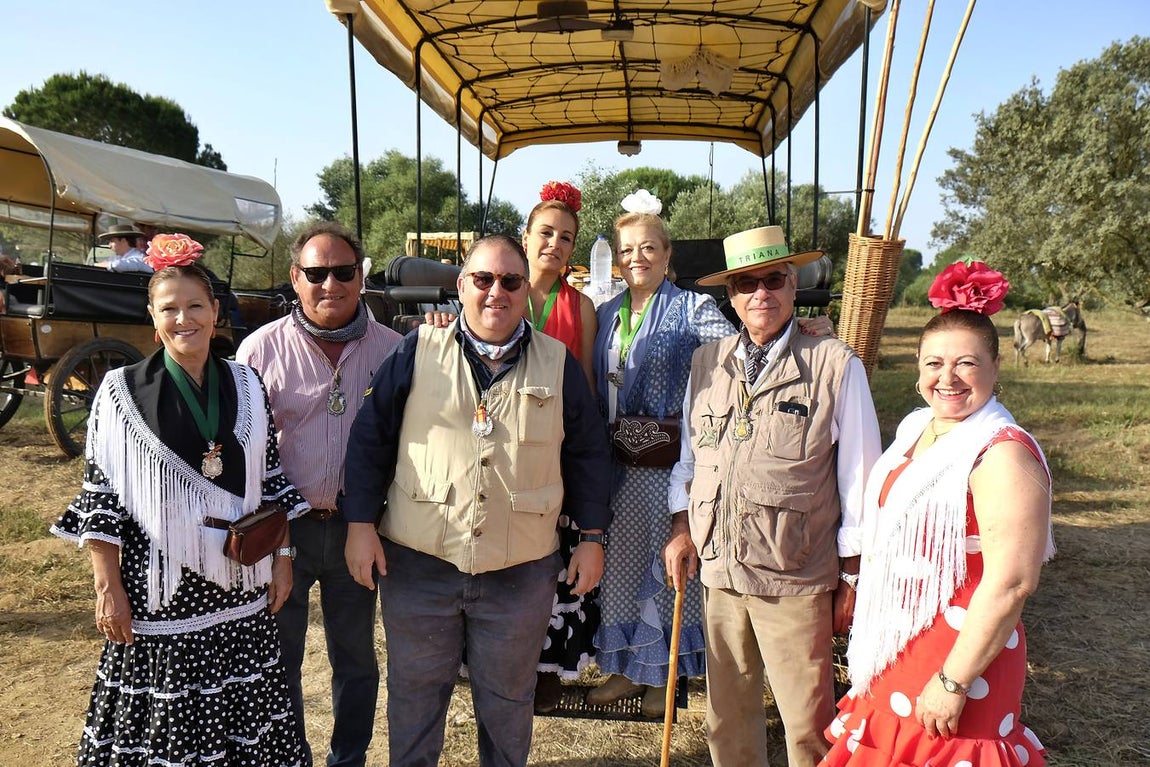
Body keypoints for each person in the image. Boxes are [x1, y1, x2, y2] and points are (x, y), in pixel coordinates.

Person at [342, 234, 612, 767]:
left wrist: (592, 538)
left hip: (521, 571)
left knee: (508, 704)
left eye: (511, 281)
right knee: (416, 699)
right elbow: (370, 437)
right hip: (420, 564)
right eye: (483, 279)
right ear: (462, 285)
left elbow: (588, 454)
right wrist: (359, 524)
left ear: (524, 291)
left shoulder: (557, 363)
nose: (497, 293)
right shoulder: (418, 349)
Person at [49, 233, 307, 765]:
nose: (183, 318)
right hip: (160, 597)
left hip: (241, 590)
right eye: (169, 308)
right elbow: (102, 500)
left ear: (215, 312)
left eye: (195, 306)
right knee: (167, 734)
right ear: (152, 314)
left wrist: (283, 560)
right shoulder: (121, 392)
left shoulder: (247, 382)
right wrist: (108, 587)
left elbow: (273, 479)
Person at [664, 224, 882, 767]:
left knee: (808, 722)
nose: (760, 293)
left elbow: (861, 479)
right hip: (720, 569)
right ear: (730, 295)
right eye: (745, 283)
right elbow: (691, 457)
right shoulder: (706, 362)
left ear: (793, 284)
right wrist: (681, 526)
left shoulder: (835, 364)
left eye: (773, 280)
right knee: (727, 720)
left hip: (795, 572)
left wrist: (852, 574)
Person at [821, 261, 1054, 766]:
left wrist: (954, 680)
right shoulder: (917, 429)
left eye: (966, 363)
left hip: (959, 657)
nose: (947, 378)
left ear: (996, 367)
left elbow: (1013, 582)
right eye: (933, 364)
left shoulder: (1003, 454)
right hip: (899, 642)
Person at [236, 222, 402, 767]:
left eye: (343, 271)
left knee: (355, 658)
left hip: (359, 528)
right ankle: (289, 757)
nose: (330, 283)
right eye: (316, 272)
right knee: (279, 656)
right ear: (295, 278)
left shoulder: (394, 351)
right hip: (284, 531)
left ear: (361, 275)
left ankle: (348, 757)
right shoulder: (259, 349)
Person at [586, 190, 734, 718]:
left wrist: (803, 330)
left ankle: (666, 677)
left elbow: (738, 353)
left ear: (668, 255)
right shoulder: (605, 313)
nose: (636, 259)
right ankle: (626, 670)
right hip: (617, 461)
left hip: (671, 461)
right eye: (626, 250)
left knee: (672, 567)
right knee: (621, 569)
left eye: (648, 248)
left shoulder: (694, 307)